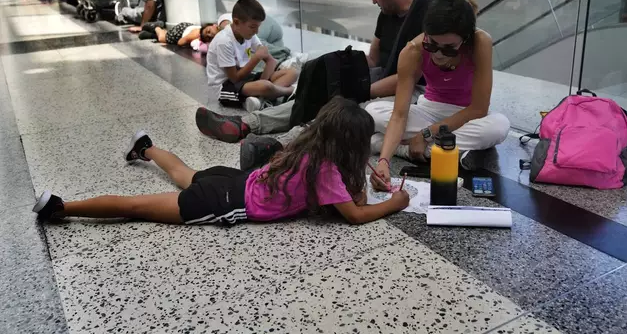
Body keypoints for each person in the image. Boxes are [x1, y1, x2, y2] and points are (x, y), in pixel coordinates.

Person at [33, 97, 410, 226]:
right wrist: (395, 202)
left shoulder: (309, 148)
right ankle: (61, 207)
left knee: (182, 172)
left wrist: (360, 183)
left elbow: (351, 198)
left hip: (232, 178)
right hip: (227, 203)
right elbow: (356, 213)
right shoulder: (327, 171)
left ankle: (145, 147)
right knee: (137, 207)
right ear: (352, 146)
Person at [196, 0, 434, 144]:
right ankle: (247, 123)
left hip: (410, 90)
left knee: (342, 103)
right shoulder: (386, 13)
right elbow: (372, 59)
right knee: (320, 88)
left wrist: (358, 90)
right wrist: (336, 68)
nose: (373, 1)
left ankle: (287, 141)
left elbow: (410, 79)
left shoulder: (428, 15)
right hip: (381, 77)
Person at [368, 0, 510, 191]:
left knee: (499, 127)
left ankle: (396, 147)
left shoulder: (481, 42)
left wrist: (425, 134)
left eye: (449, 48)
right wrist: (383, 162)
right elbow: (400, 114)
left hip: (467, 115)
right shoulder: (413, 51)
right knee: (374, 111)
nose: (438, 54)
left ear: (466, 39)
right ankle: (450, 151)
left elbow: (478, 108)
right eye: (431, 44)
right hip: (430, 110)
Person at [207, 0, 298, 113]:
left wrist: (263, 80)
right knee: (265, 87)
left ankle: (259, 100)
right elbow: (234, 78)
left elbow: (271, 61)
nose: (256, 31)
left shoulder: (250, 35)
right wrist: (256, 58)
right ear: (236, 22)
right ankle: (291, 91)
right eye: (252, 27)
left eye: (258, 27)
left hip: (246, 79)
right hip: (224, 88)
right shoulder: (224, 41)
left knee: (292, 72)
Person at [139, 13, 232, 45]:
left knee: (166, 34)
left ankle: (153, 33)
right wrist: (192, 40)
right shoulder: (196, 34)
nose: (209, 35)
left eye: (209, 38)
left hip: (185, 27)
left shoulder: (219, 30)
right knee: (162, 38)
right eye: (208, 32)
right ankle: (156, 27)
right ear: (214, 25)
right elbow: (180, 42)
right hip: (179, 33)